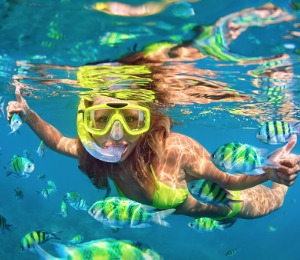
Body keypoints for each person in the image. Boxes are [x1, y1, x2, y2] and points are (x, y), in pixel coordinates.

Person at [6, 84, 300, 221]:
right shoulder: (96, 155)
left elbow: (229, 180)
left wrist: (271, 173)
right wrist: (29, 115)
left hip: (226, 205)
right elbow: (58, 141)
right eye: (102, 119)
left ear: (147, 122)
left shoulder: (176, 151)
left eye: (131, 119)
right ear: (87, 123)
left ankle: (283, 177)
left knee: (273, 202)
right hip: (194, 212)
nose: (115, 135)